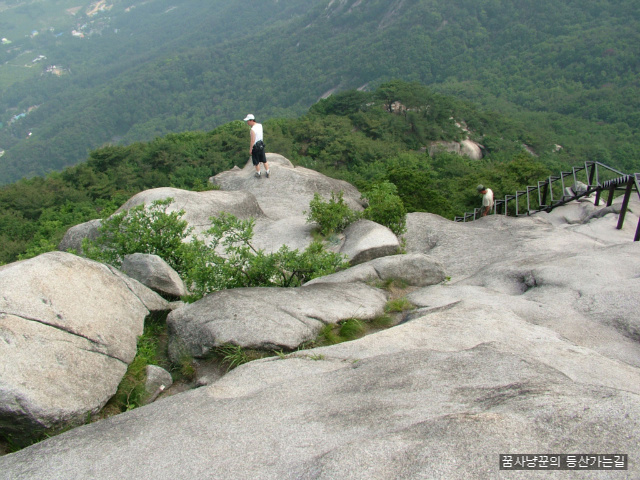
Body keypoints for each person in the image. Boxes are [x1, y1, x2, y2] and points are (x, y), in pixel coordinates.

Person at [243, 114, 270, 178]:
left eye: (248, 121)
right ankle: (268, 171)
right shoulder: (260, 125)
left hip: (255, 147)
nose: (247, 122)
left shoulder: (252, 130)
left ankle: (258, 173)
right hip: (261, 145)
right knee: (264, 159)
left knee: (256, 161)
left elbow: (252, 140)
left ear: (251, 120)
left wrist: (250, 149)